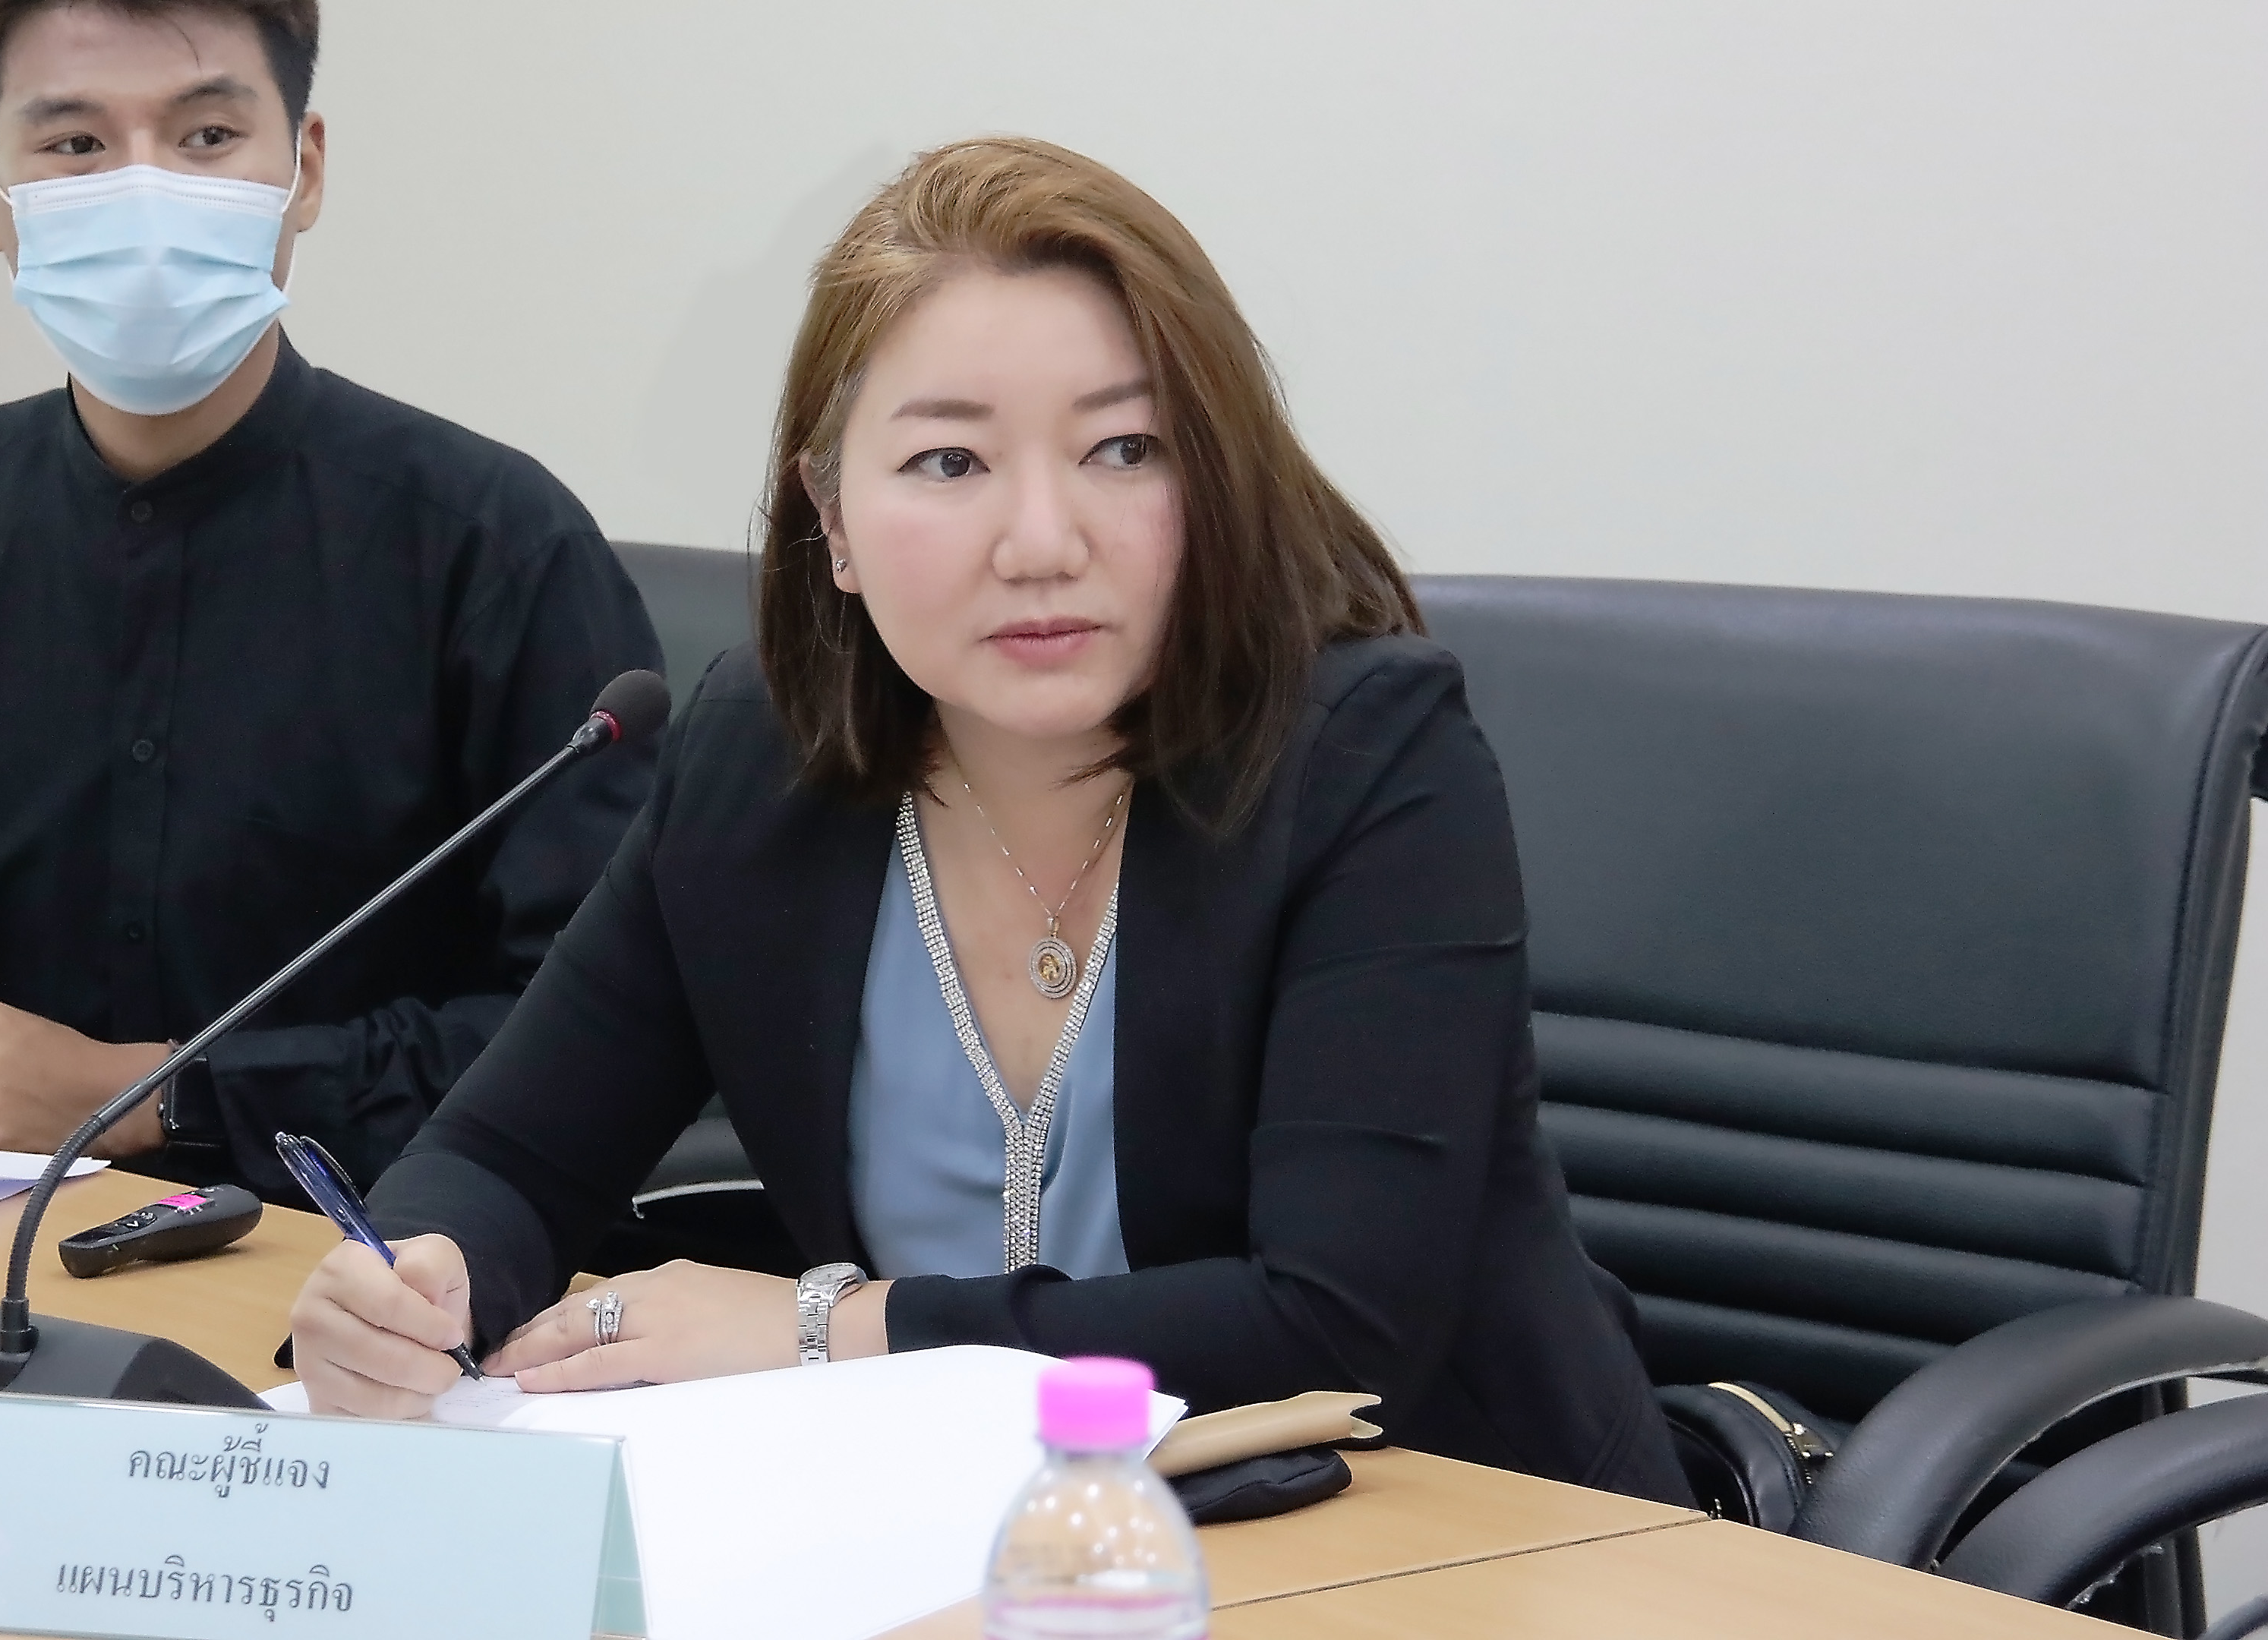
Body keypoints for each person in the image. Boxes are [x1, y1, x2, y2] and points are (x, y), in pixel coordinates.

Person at [290, 137, 1689, 1500]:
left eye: (1125, 448)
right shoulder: (759, 759)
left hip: (1457, 1539)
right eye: (950, 463)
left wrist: (822, 1329)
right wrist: (420, 1276)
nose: (1041, 542)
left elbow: (1337, 1327)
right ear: (832, 520)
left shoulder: (1369, 761)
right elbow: (511, 1154)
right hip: (983, 1539)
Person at [0, 0, 660, 1202]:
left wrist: (150, 1096)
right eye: (75, 146)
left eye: (207, 137)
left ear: (302, 170)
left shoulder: (496, 546)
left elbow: (604, 1031)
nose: (144, 191)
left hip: (376, 1258)